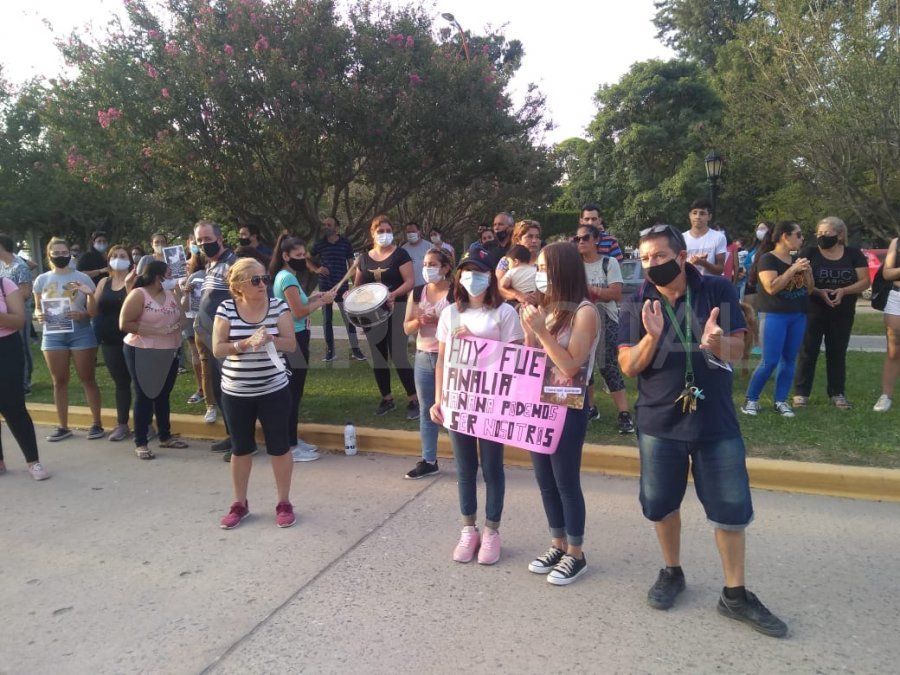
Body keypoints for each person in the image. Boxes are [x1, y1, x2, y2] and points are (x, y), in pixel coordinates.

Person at [618, 223, 787, 638]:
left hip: (715, 422)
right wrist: (652, 338)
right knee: (661, 504)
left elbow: (738, 350)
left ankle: (735, 594)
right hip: (659, 422)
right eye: (645, 258)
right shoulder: (636, 302)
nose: (651, 264)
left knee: (730, 508)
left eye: (659, 256)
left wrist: (716, 343)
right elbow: (628, 367)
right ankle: (671, 571)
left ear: (681, 257)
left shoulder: (717, 290)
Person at [431, 243, 525, 565]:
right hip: (460, 401)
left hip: (492, 403)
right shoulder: (450, 313)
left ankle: (492, 530)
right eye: (468, 272)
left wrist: (476, 345)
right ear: (459, 276)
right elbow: (442, 361)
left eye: (480, 272)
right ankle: (468, 529)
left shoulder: (505, 313)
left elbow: (516, 361)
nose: (473, 278)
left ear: (490, 277)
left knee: (492, 467)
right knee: (465, 468)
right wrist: (439, 399)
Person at [520, 242, 600, 585]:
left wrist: (540, 330)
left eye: (543, 268)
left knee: (565, 480)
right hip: (540, 405)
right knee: (545, 480)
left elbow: (569, 366)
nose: (538, 275)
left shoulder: (585, 311)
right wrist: (530, 333)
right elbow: (534, 358)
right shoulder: (549, 308)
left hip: (568, 406)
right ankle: (558, 543)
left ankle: (576, 553)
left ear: (561, 269)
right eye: (537, 268)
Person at [213, 258, 298, 529]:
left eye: (264, 278)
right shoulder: (226, 308)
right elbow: (218, 348)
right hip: (236, 390)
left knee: (279, 447)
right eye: (255, 280)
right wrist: (245, 344)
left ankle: (284, 503)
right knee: (240, 449)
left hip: (273, 389)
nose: (263, 284)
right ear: (239, 285)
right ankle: (240, 503)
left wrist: (271, 338)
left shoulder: (278, 306)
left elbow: (291, 344)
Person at [270, 234, 336, 462]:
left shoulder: (286, 276)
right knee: (292, 393)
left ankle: (292, 440)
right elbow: (297, 312)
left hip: (297, 336)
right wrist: (322, 302)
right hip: (294, 338)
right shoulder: (287, 278)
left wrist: (314, 297)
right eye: (298, 255)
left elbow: (298, 303)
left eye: (304, 254)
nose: (303, 258)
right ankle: (289, 446)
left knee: (294, 392)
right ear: (286, 256)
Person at [792, 217, 869, 409]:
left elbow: (864, 281)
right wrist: (819, 292)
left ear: (840, 234)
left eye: (826, 233)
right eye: (819, 233)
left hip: (842, 311)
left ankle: (837, 393)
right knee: (808, 351)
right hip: (813, 309)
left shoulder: (853, 254)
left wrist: (844, 291)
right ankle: (801, 394)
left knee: (837, 352)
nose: (821, 237)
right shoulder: (809, 252)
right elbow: (800, 280)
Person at [33, 238, 104, 442]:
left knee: (87, 378)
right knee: (59, 381)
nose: (61, 256)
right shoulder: (42, 280)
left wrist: (83, 313)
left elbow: (93, 310)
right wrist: (39, 315)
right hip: (53, 334)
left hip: (81, 332)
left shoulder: (82, 278)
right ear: (49, 255)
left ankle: (96, 423)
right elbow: (37, 307)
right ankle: (63, 427)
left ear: (69, 254)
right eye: (56, 253)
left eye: (64, 252)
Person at [741, 221, 813, 418]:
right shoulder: (767, 259)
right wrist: (792, 270)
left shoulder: (797, 258)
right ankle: (751, 399)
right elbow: (771, 287)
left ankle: (781, 401)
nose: (801, 238)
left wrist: (808, 273)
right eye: (798, 235)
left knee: (789, 360)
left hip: (798, 314)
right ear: (784, 236)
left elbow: (809, 289)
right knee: (770, 360)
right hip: (774, 314)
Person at [120, 260, 189, 459]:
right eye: (168, 274)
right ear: (157, 276)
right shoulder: (139, 294)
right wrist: (155, 331)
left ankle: (165, 436)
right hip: (142, 349)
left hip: (168, 350)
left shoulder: (171, 294)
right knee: (144, 395)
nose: (171, 278)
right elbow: (125, 323)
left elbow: (182, 318)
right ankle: (141, 442)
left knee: (163, 394)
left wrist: (177, 325)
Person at [354, 215, 418, 418]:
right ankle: (387, 399)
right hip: (371, 315)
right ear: (372, 233)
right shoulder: (363, 258)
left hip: (396, 309)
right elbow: (358, 286)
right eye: (380, 231)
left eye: (388, 230)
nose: (384, 234)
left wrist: (393, 294)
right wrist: (352, 297)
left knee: (398, 355)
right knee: (378, 357)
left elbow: (409, 281)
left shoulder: (400, 254)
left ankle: (414, 399)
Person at [574, 224, 635, 433]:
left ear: (596, 240)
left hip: (605, 318)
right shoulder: (575, 265)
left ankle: (624, 413)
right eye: (577, 238)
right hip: (580, 319)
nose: (581, 242)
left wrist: (588, 289)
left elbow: (615, 294)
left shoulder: (608, 263)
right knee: (584, 365)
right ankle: (591, 408)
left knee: (607, 365)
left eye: (585, 238)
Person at [402, 247, 453, 479]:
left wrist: (439, 319)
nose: (427, 268)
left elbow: (465, 325)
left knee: (453, 408)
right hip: (423, 355)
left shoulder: (456, 293)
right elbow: (407, 327)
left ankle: (466, 459)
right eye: (425, 264)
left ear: (445, 268)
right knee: (426, 410)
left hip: (450, 357)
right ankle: (429, 460)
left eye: (432, 264)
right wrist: (419, 321)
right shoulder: (417, 292)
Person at [193, 220, 239, 454]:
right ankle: (232, 435)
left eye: (208, 239)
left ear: (220, 239)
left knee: (231, 391)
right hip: (210, 339)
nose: (203, 244)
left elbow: (242, 298)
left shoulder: (233, 264)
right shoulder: (211, 265)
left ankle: (242, 442)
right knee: (220, 389)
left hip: (226, 339)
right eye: (199, 240)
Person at [0, 275, 48, 480]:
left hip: (6, 349)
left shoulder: (4, 284)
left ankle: (33, 461)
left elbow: (20, 321)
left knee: (14, 406)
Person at [91, 245, 135, 441]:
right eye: (114, 256)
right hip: (110, 340)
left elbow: (137, 306)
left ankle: (146, 424)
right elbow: (94, 310)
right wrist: (88, 294)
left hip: (134, 339)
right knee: (121, 383)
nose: (118, 259)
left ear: (130, 260)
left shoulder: (136, 280)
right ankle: (122, 424)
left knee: (141, 383)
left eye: (122, 256)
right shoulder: (103, 282)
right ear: (108, 260)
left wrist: (129, 285)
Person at [310, 216, 365, 362]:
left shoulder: (345, 243)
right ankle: (330, 351)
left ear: (336, 227)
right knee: (327, 320)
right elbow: (307, 258)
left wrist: (356, 286)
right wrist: (316, 269)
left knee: (349, 319)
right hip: (325, 288)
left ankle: (355, 350)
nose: (326, 227)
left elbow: (352, 266)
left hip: (342, 287)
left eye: (329, 224)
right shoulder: (320, 244)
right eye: (324, 224)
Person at [0, 233, 34, 393]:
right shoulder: (2, 266)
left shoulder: (20, 266)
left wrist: (7, 299)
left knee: (23, 346)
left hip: (20, 312)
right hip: (5, 316)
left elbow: (26, 292)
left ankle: (25, 382)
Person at [874, 237, 900, 412]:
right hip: (897, 297)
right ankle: (886, 396)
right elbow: (887, 274)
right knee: (894, 350)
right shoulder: (897, 242)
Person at [181, 246, 208, 408]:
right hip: (193, 319)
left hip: (210, 321)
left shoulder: (211, 274)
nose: (188, 261)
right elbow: (183, 304)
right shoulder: (192, 276)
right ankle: (202, 389)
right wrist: (185, 291)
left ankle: (206, 390)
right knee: (196, 354)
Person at [496, 220, 542, 304]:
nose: (534, 241)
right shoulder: (507, 261)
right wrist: (518, 295)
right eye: (529, 237)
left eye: (537, 237)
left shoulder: (544, 260)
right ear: (518, 240)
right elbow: (500, 288)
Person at [682, 199, 727, 276]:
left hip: (710, 282)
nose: (697, 217)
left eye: (702, 213)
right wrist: (690, 263)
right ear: (690, 215)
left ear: (709, 217)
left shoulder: (719, 237)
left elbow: (720, 269)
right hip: (687, 282)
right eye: (694, 213)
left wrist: (704, 263)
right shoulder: (681, 238)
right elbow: (677, 267)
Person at [743, 222, 771, 306]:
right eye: (758, 229)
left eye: (763, 229)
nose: (759, 231)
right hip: (752, 283)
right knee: (751, 310)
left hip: (766, 283)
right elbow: (746, 263)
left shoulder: (774, 247)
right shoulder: (754, 248)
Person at [402, 221, 432, 291]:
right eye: (408, 232)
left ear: (419, 232)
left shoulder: (429, 247)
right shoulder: (403, 250)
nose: (411, 234)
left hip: (427, 287)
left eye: (413, 231)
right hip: (410, 289)